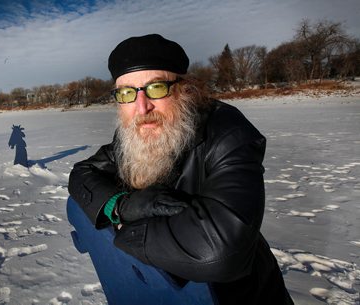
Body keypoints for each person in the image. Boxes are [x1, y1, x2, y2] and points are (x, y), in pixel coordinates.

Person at [68, 34, 294, 305]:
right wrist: (120, 206)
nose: (142, 107)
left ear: (184, 88)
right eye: (127, 93)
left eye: (156, 88)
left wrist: (122, 227)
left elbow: (219, 251)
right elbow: (82, 173)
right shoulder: (132, 136)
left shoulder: (229, 133)